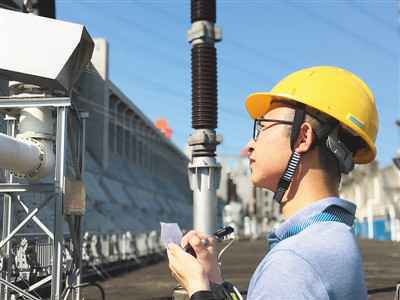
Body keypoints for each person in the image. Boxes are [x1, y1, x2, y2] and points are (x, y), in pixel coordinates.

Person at [167, 66, 378, 300]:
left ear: (302, 138)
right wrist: (213, 280)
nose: (249, 146)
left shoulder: (294, 263)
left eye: (263, 128)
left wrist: (197, 288)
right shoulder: (333, 237)